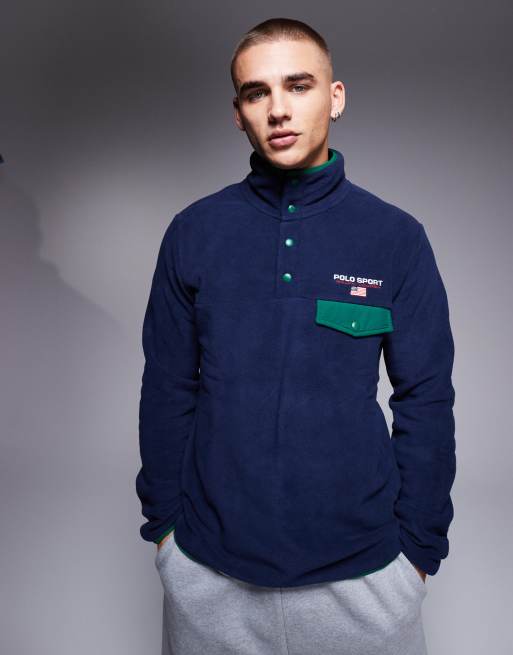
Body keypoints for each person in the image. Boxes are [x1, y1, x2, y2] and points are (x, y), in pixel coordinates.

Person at [136, 16, 456, 655]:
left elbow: (426, 397)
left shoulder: (395, 237)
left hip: (367, 579)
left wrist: (418, 551)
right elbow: (166, 387)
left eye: (298, 85)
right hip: (209, 575)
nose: (278, 109)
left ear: (335, 97)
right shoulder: (194, 232)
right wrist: (167, 531)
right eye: (256, 92)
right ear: (238, 114)